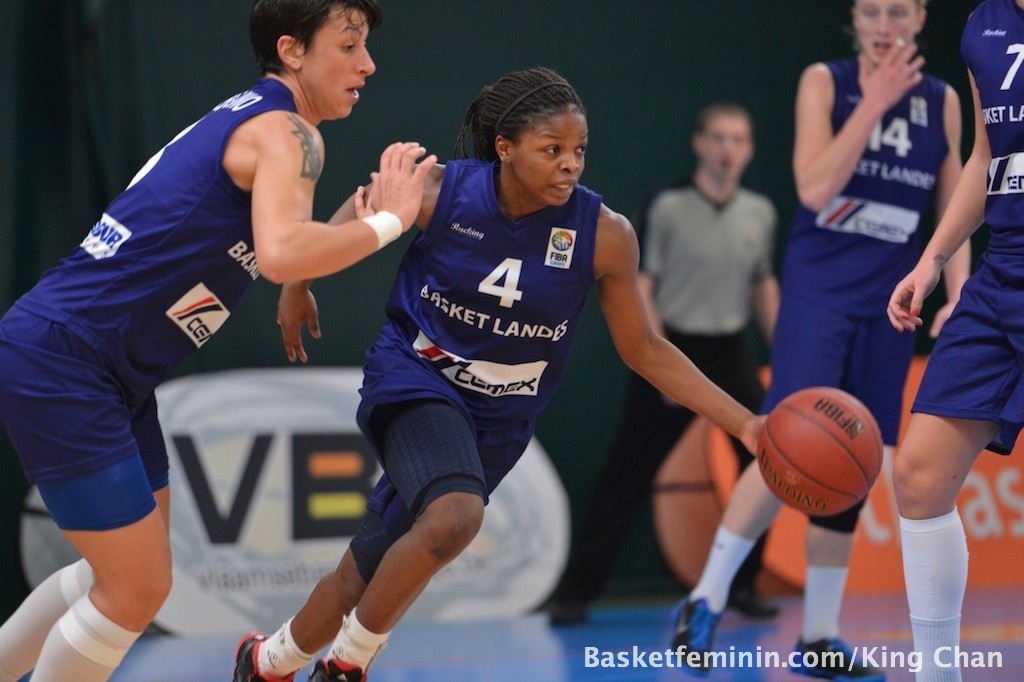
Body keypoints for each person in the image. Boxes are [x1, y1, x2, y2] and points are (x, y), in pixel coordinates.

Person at [231, 66, 766, 682]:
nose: (571, 165)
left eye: (579, 150)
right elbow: (363, 202)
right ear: (506, 148)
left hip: (498, 418)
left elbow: (644, 348)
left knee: (365, 571)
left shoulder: (604, 234)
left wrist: (747, 425)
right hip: (417, 378)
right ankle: (347, 666)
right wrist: (297, 283)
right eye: (552, 149)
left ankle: (266, 662)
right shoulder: (441, 192)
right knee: (455, 517)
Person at [0, 2, 437, 681]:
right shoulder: (289, 131)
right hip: (72, 358)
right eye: (349, 45)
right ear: (292, 51)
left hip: (102, 365)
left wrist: (303, 275)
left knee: (120, 575)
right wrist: (392, 221)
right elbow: (282, 252)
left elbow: (279, 247)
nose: (368, 64)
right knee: (135, 588)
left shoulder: (256, 118)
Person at [671, 1, 971, 679]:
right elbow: (813, 187)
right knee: (790, 440)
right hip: (821, 293)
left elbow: (954, 204)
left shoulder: (944, 101)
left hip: (890, 301)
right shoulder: (824, 81)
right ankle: (705, 596)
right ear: (855, 19)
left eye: (898, 12)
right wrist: (877, 102)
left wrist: (957, 293)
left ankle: (819, 634)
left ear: (920, 18)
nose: (884, 25)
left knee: (855, 455)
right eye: (872, 12)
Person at [547, 102, 781, 626]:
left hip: (731, 352)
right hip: (673, 348)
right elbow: (642, 283)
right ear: (700, 144)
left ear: (749, 150)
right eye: (718, 138)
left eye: (738, 140)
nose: (727, 149)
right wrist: (657, 356)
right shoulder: (668, 205)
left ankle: (744, 586)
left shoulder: (760, 212)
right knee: (628, 473)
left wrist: (784, 355)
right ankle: (576, 593)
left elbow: (763, 283)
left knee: (764, 464)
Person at [887, 1, 1024, 680]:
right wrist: (933, 260)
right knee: (918, 476)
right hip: (1004, 269)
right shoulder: (984, 24)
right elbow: (985, 156)